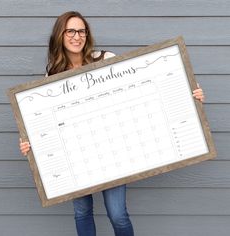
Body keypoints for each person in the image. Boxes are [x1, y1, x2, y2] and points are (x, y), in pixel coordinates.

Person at [19, 11, 205, 236]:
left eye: (81, 31)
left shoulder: (106, 59)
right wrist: (31, 144)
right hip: (77, 156)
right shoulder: (52, 74)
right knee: (82, 212)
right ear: (60, 34)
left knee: (118, 214)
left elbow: (143, 87)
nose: (77, 37)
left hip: (112, 152)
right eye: (71, 31)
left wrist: (188, 95)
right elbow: (45, 121)